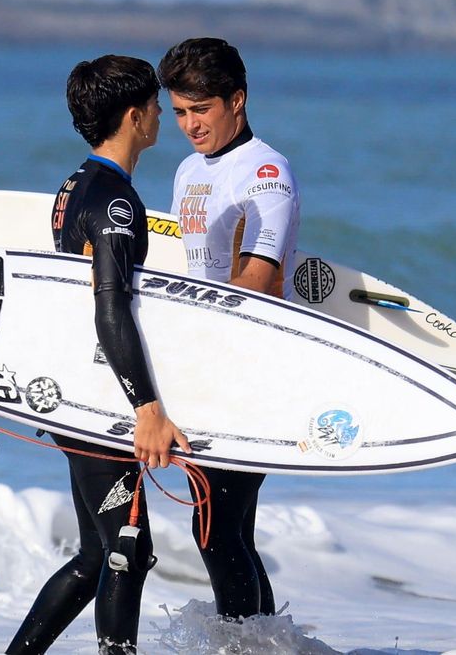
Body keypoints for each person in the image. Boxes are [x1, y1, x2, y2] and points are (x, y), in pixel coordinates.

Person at [7, 54, 192, 655]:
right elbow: (108, 306)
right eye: (156, 106)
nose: (163, 114)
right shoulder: (115, 202)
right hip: (98, 401)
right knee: (126, 547)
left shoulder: (73, 187)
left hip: (76, 393)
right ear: (135, 116)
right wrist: (147, 407)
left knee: (97, 555)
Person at [158, 37, 300, 621]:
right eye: (180, 113)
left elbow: (260, 279)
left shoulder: (267, 172)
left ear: (236, 100)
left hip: (251, 367)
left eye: (201, 110)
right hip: (206, 364)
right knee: (225, 523)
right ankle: (266, 641)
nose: (190, 125)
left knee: (216, 526)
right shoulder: (189, 170)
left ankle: (245, 642)